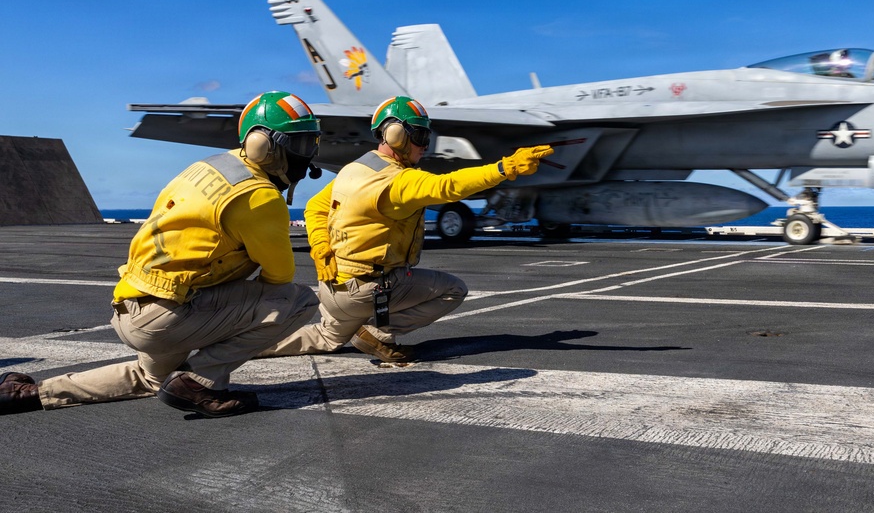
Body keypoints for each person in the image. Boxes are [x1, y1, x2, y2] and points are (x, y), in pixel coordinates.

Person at [0, 91, 323, 418]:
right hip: (169, 316)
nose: (307, 155)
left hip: (130, 306)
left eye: (311, 144)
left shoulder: (207, 168)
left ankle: (25, 394)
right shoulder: (259, 197)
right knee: (296, 300)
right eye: (301, 144)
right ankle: (199, 382)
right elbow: (279, 278)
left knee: (152, 379)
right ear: (263, 146)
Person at [258, 95, 553, 363]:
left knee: (325, 337)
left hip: (333, 288)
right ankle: (378, 335)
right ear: (396, 135)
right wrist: (505, 168)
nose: (425, 146)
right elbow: (448, 186)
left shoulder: (352, 170)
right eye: (420, 136)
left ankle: (242, 346)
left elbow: (315, 207)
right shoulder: (398, 181)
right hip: (370, 291)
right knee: (453, 290)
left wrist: (321, 247)